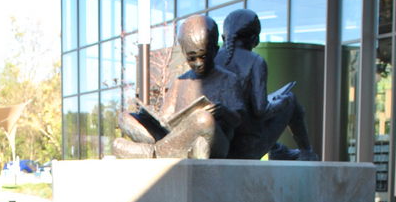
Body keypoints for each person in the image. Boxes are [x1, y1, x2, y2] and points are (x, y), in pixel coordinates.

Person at [113, 14, 246, 159]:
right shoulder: (179, 82)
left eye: (203, 56)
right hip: (175, 139)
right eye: (191, 58)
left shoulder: (228, 79)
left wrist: (224, 112)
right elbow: (165, 120)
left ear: (215, 49)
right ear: (183, 53)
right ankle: (168, 150)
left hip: (211, 140)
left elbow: (240, 120)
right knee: (125, 118)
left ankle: (154, 153)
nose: (198, 63)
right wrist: (154, 117)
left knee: (204, 121)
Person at [216, 9, 319, 161]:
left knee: (249, 113)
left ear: (223, 36)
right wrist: (281, 102)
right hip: (246, 149)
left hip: (220, 146)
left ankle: (278, 149)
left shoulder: (211, 61)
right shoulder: (255, 61)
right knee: (289, 99)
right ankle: (306, 152)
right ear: (254, 39)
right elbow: (260, 111)